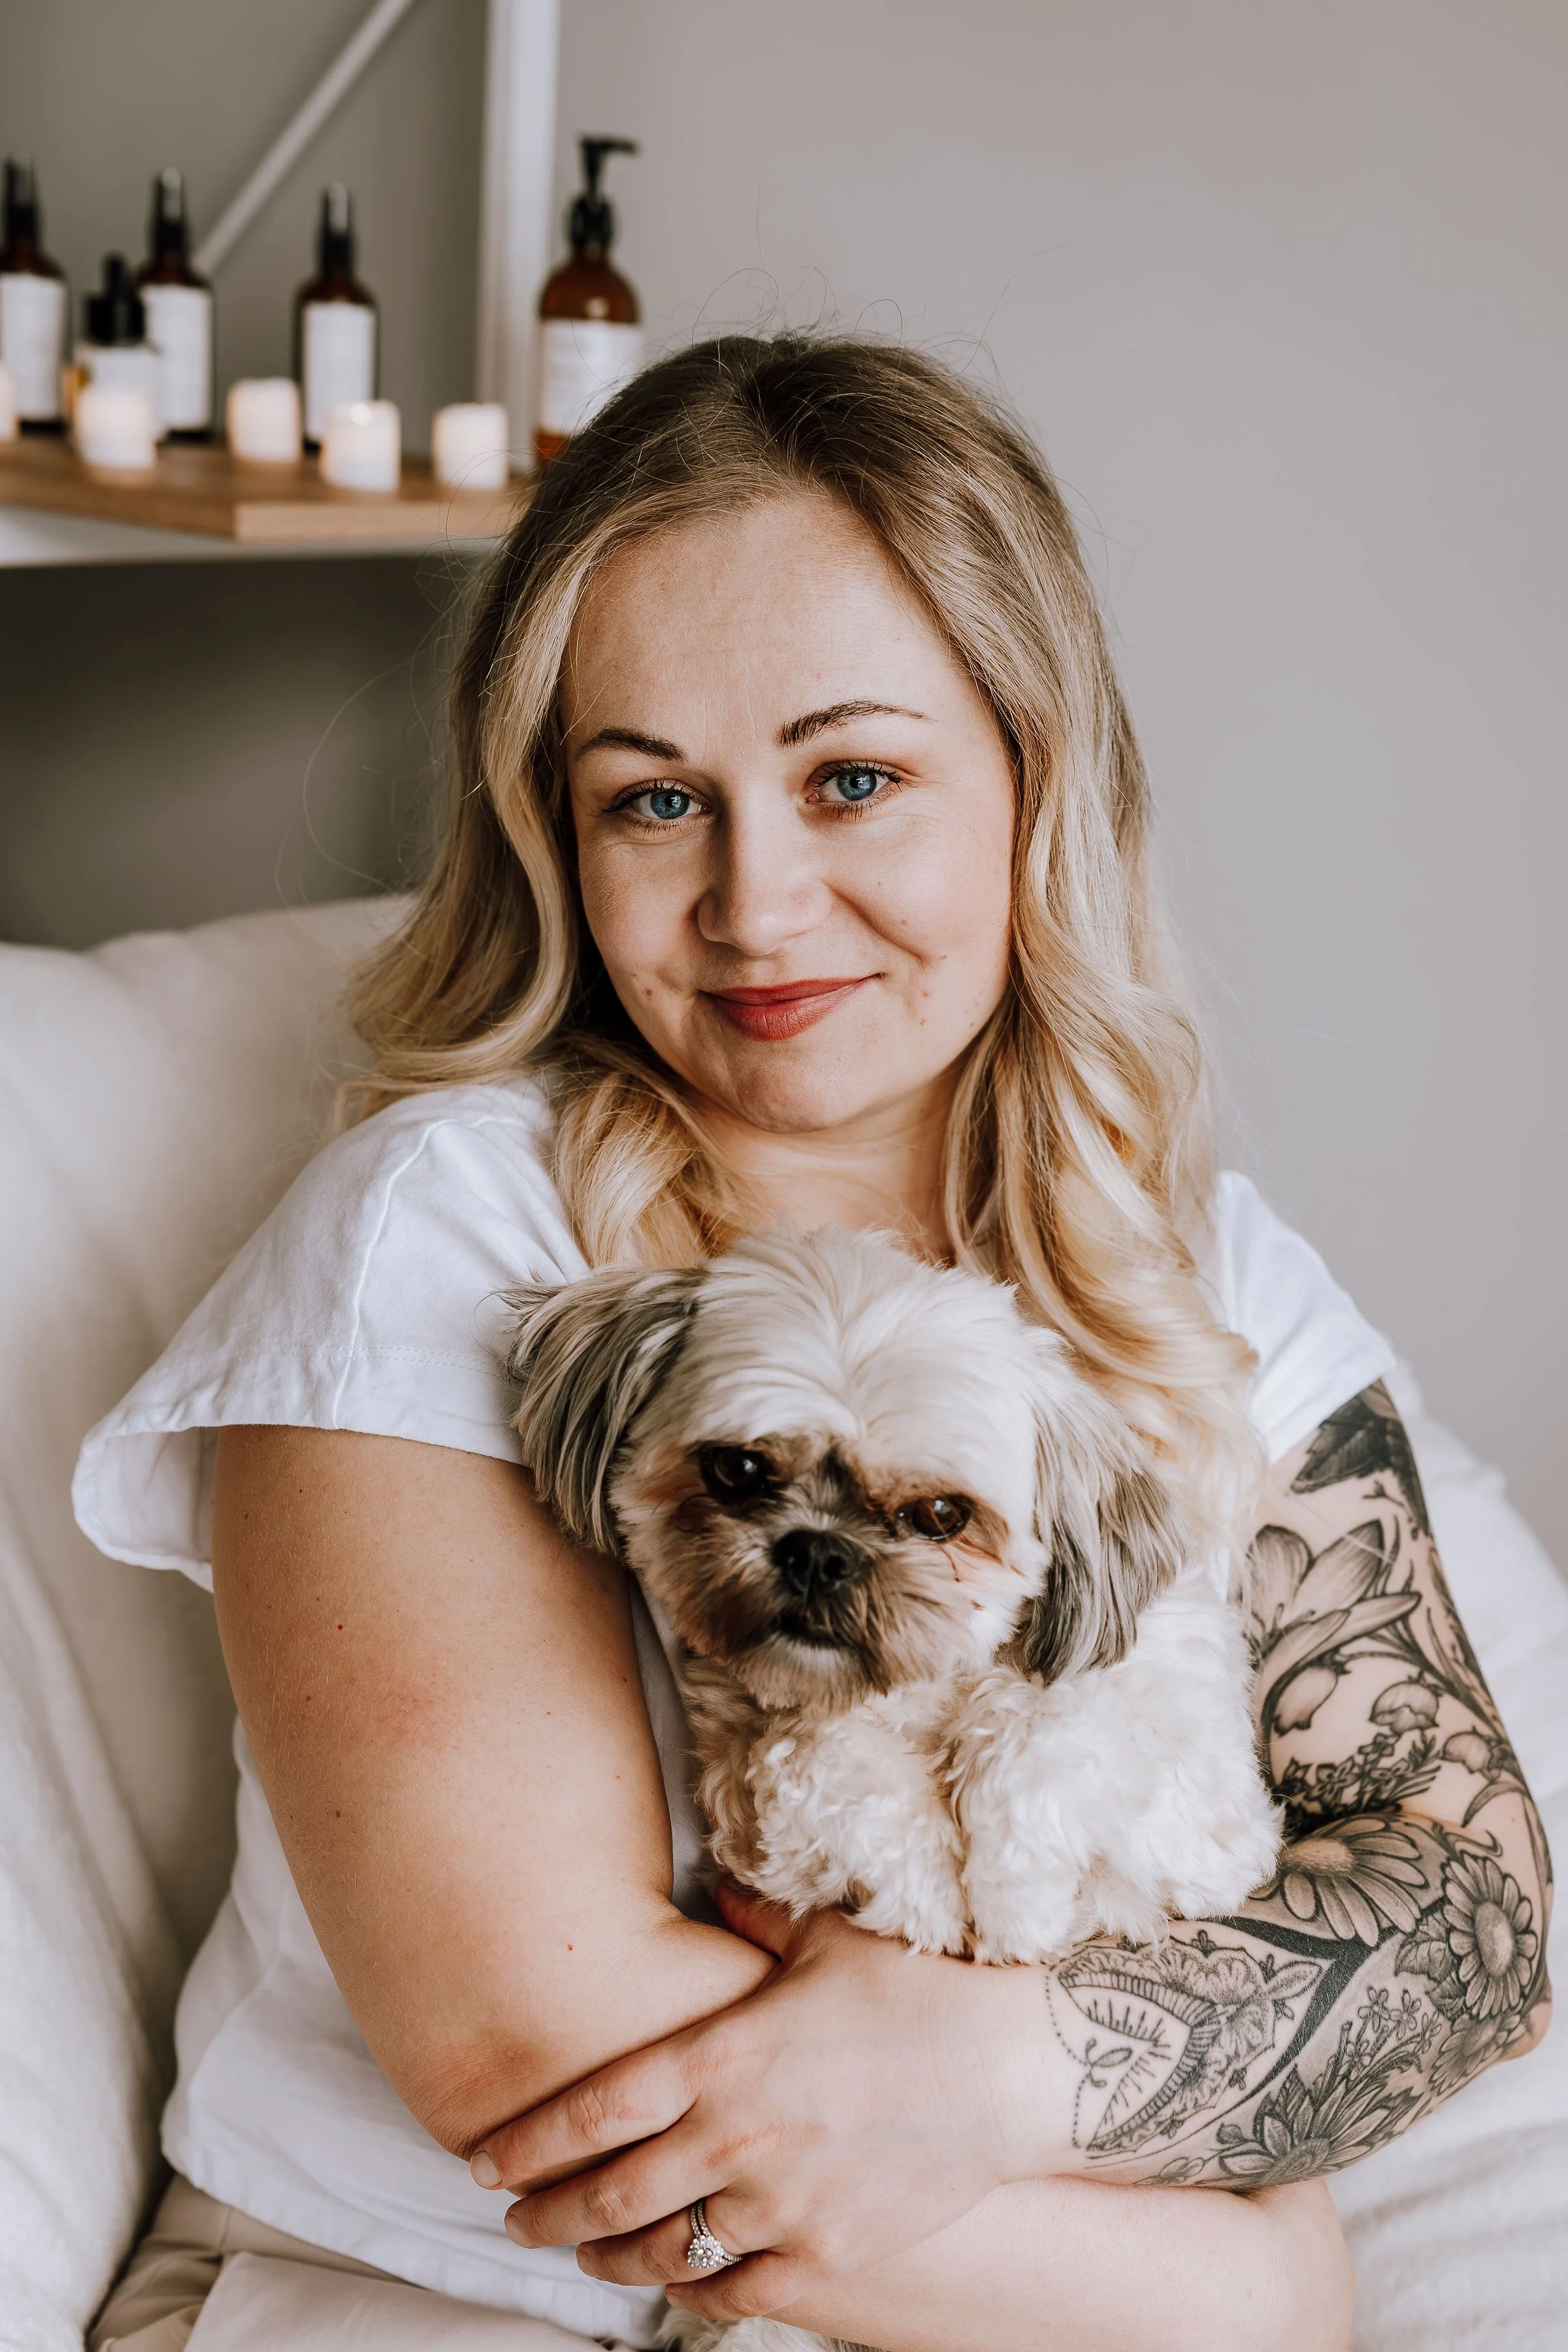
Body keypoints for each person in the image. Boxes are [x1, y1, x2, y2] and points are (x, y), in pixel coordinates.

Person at [77, 336, 1550, 2352]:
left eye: (853, 777)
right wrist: (1239, 2284)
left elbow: (1468, 1911)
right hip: (431, 2298)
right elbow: (538, 2041)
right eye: (655, 802)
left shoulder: (1186, 1268)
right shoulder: (447, 1233)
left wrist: (1007, 2072)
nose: (759, 904)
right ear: (555, 839)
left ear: (1035, 779)